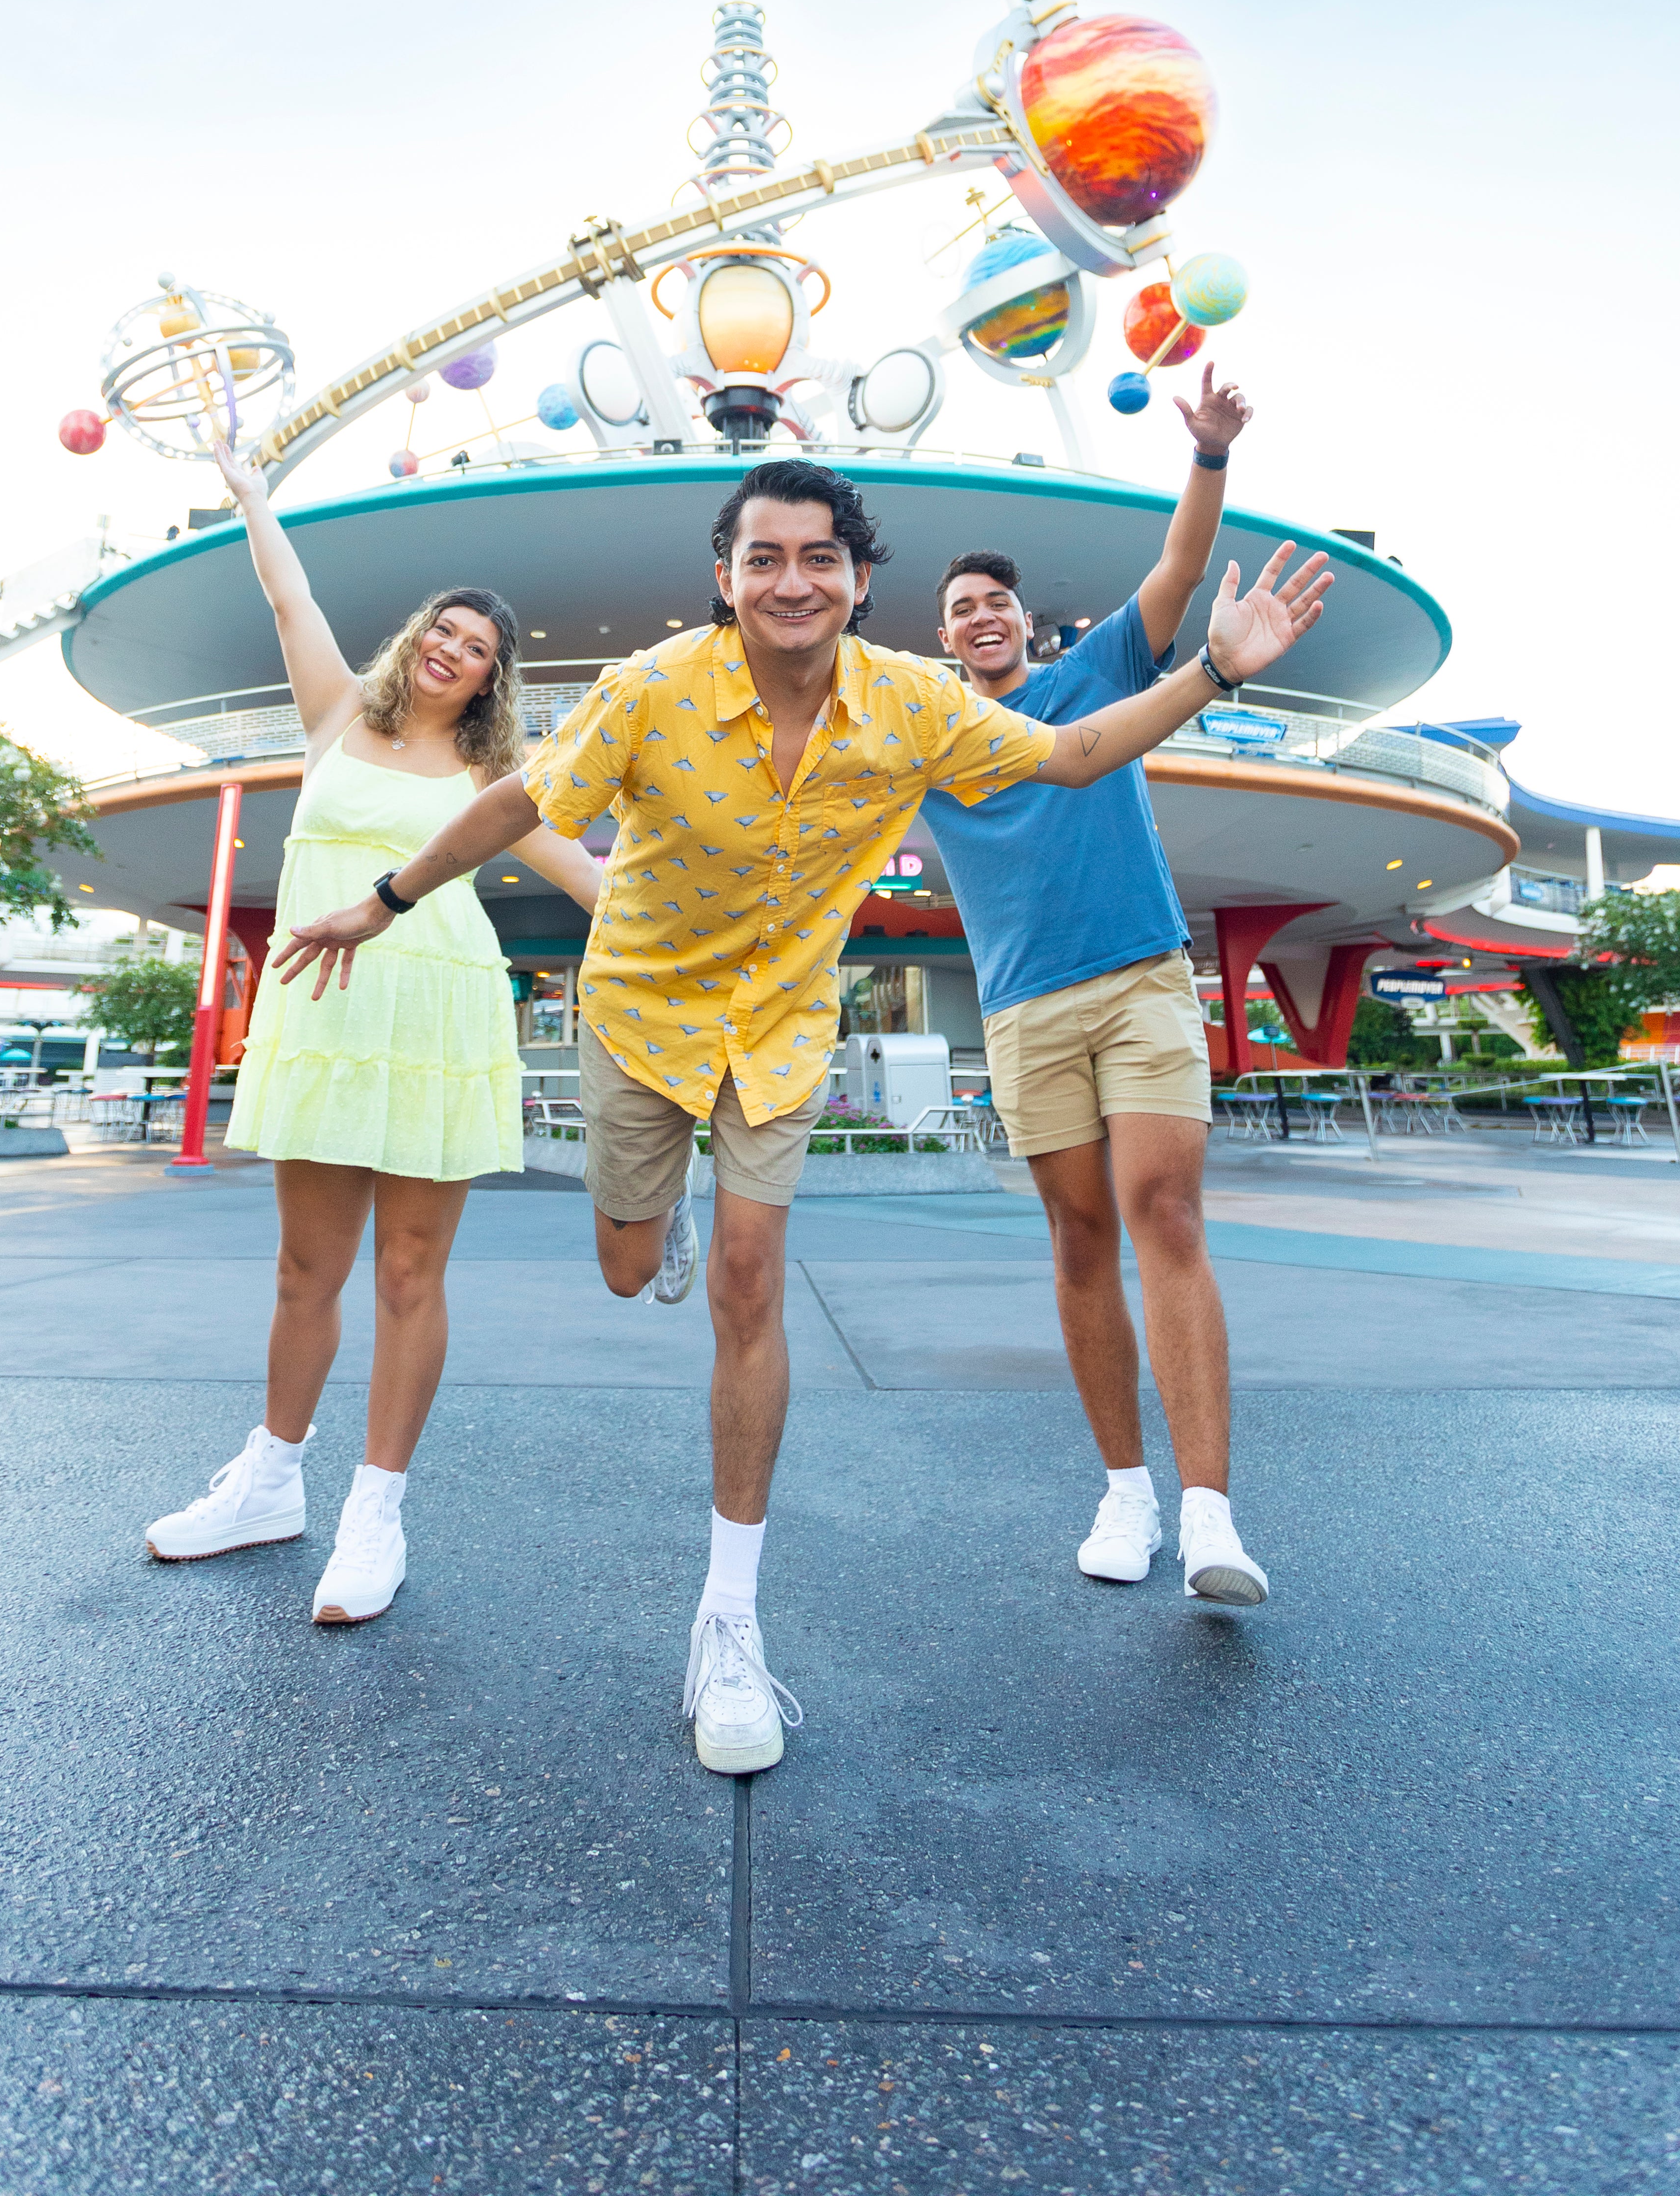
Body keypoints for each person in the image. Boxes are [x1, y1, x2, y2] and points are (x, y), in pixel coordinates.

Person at [272, 454, 1329, 1762]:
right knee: (627, 1266)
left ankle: (729, 1628)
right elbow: (513, 804)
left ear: (858, 578)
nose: (790, 579)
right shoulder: (654, 687)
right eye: (762, 557)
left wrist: (1216, 671)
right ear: (726, 578)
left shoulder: (912, 705)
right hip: (644, 1023)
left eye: (818, 556)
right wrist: (382, 901)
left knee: (752, 1276)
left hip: (775, 1039)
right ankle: (645, 1239)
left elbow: (1075, 751)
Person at [144, 425, 602, 1620]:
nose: (455, 653)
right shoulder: (336, 716)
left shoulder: (488, 786)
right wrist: (250, 493)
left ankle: (375, 1514)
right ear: (417, 642)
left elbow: (599, 884)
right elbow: (286, 593)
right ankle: (269, 1482)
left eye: (480, 650)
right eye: (444, 633)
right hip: (324, 1010)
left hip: (439, 1012)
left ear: (495, 679)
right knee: (307, 1266)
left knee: (410, 1270)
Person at [925, 360, 1290, 1608]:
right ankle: (1123, 1487)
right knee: (1080, 1240)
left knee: (1163, 1213)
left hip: (1138, 982)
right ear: (941, 639)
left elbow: (1179, 576)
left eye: (993, 601)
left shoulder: (1095, 675)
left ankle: (1206, 1515)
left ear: (1023, 623)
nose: (978, 616)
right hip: (1024, 1011)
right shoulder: (932, 746)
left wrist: (1206, 454)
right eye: (958, 607)